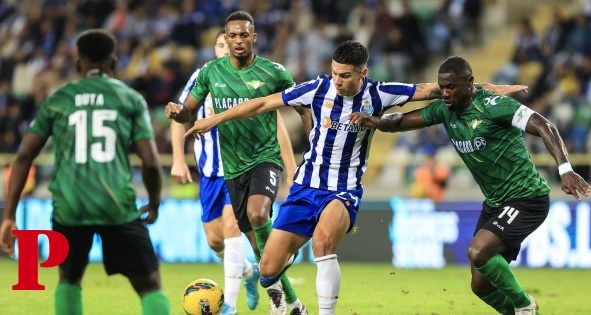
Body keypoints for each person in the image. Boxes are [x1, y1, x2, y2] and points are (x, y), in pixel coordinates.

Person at [182, 40, 523, 315]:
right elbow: (261, 104)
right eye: (334, 74)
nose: (338, 81)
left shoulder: (380, 93)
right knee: (268, 269)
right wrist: (214, 119)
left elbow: (435, 90)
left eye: (345, 76)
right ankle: (293, 306)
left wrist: (491, 89)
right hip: (305, 188)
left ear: (363, 73)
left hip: (343, 191)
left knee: (323, 245)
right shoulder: (316, 90)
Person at [348, 55, 591, 315]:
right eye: (441, 87)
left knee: (477, 251)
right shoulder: (444, 109)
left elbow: (545, 125)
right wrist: (374, 121)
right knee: (480, 286)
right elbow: (400, 122)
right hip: (495, 203)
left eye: (451, 87)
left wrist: (565, 169)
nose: (444, 93)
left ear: (470, 83)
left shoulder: (494, 105)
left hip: (526, 198)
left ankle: (525, 307)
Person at [0, 29, 169, 315]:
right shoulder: (129, 98)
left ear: (78, 63)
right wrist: (153, 203)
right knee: (150, 285)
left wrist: (9, 216)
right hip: (115, 203)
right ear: (113, 63)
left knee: (69, 279)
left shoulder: (59, 99)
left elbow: (24, 155)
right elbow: (151, 162)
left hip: (69, 206)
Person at [165, 11, 311, 315]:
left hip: (265, 159)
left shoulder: (273, 72)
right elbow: (187, 112)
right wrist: (176, 112)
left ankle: (238, 302)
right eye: (233, 36)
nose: (238, 41)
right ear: (225, 39)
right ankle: (292, 302)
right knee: (258, 249)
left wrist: (313, 145)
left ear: (254, 37)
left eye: (244, 35)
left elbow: (302, 104)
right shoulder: (210, 73)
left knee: (258, 215)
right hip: (231, 168)